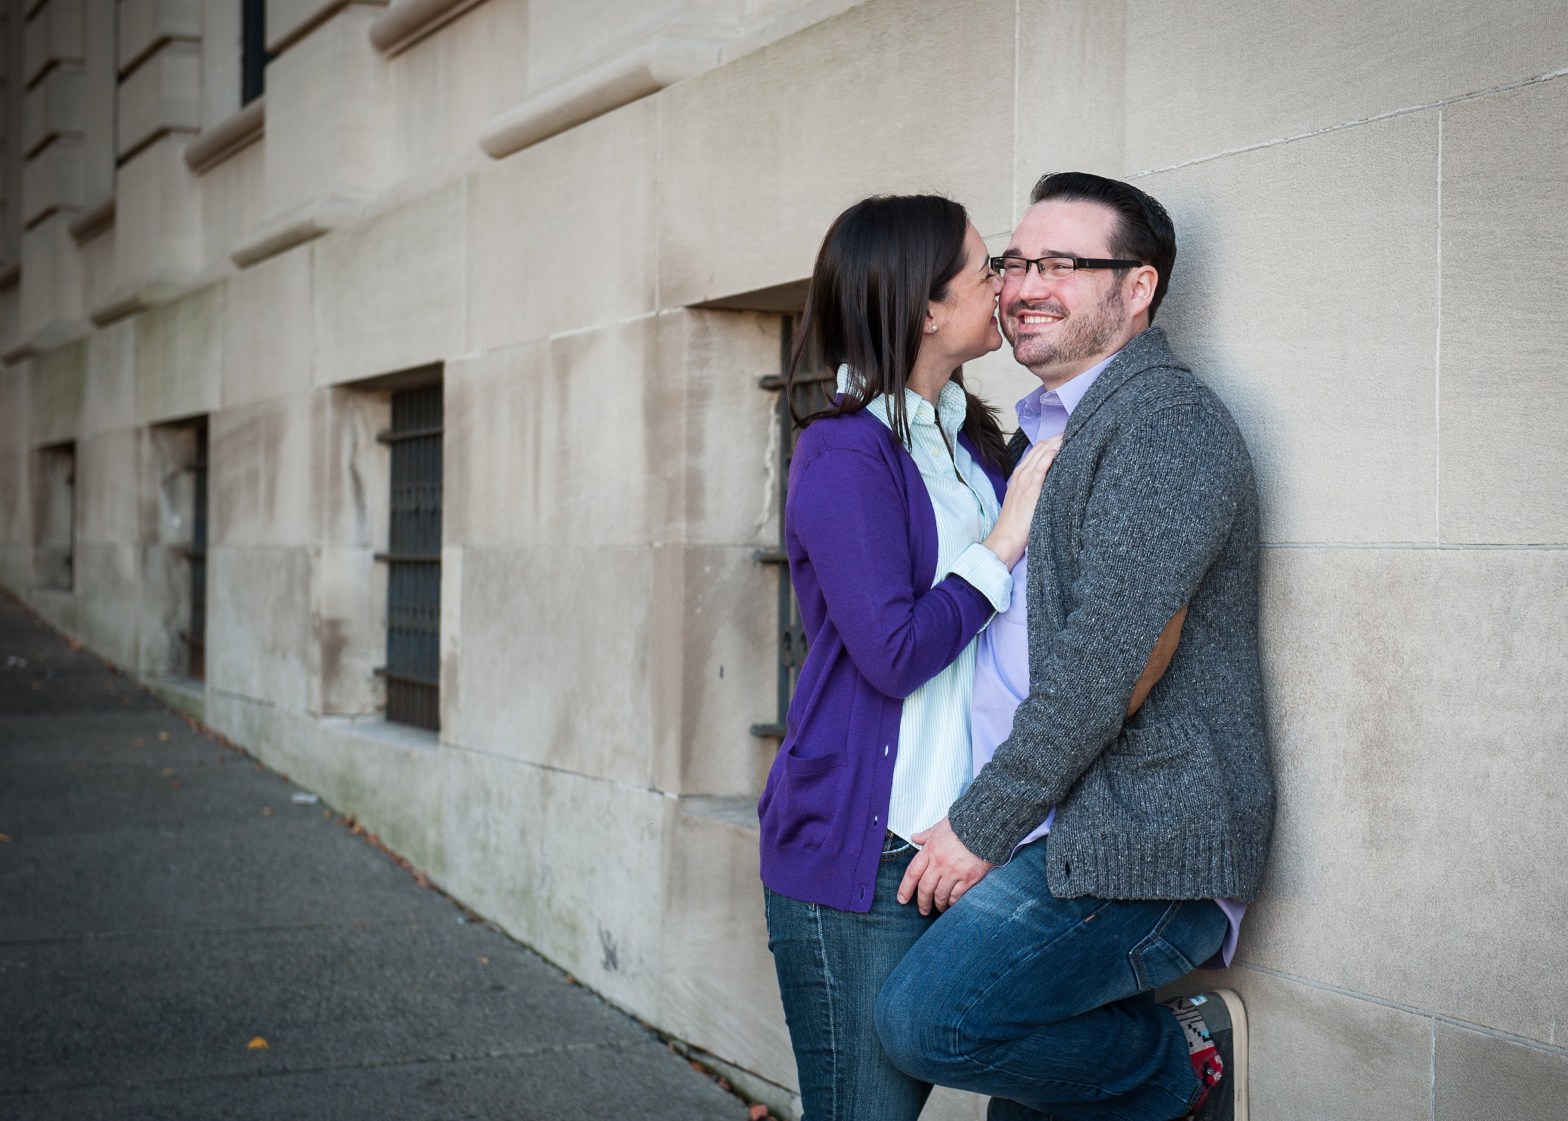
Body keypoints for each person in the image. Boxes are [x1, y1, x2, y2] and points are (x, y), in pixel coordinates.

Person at [875, 172, 1276, 1121]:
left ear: (1136, 289)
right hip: (1055, 831)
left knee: (928, 1021)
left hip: (1139, 842)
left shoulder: (1164, 426)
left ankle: (1179, 1069)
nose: (1020, 286)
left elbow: (1106, 666)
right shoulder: (1045, 432)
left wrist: (980, 823)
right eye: (1015, 262)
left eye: (1060, 263)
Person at [756, 193, 1061, 1121]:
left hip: (965, 847)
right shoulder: (843, 453)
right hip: (868, 856)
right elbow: (891, 652)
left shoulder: (975, 442)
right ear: (926, 307)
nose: (1006, 282)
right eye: (986, 268)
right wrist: (1003, 542)